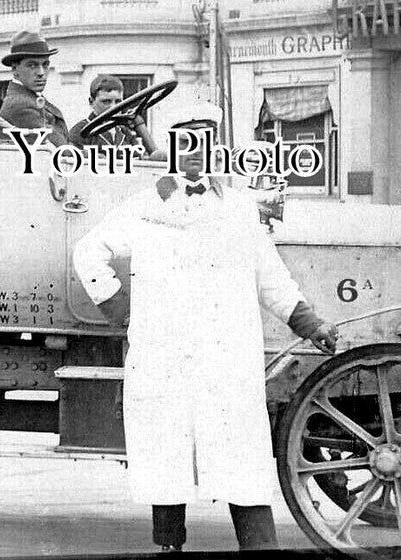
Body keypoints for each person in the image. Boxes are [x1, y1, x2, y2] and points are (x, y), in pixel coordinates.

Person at [72, 102, 338, 553]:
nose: (196, 150)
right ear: (173, 147)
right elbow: (88, 252)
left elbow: (270, 276)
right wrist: (124, 310)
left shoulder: (238, 209)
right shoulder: (142, 207)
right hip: (165, 352)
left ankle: (260, 548)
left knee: (241, 454)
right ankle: (169, 546)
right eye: (186, 140)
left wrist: (309, 323)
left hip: (226, 354)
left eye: (205, 139)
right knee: (166, 453)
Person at [0, 30, 68, 146]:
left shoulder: (31, 98)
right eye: (32, 65)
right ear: (15, 69)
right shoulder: (20, 106)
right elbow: (62, 150)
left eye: (45, 65)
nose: (41, 73)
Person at [68, 74, 157, 153]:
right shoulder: (79, 132)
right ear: (91, 102)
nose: (113, 107)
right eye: (106, 101)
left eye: (118, 102)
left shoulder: (125, 132)